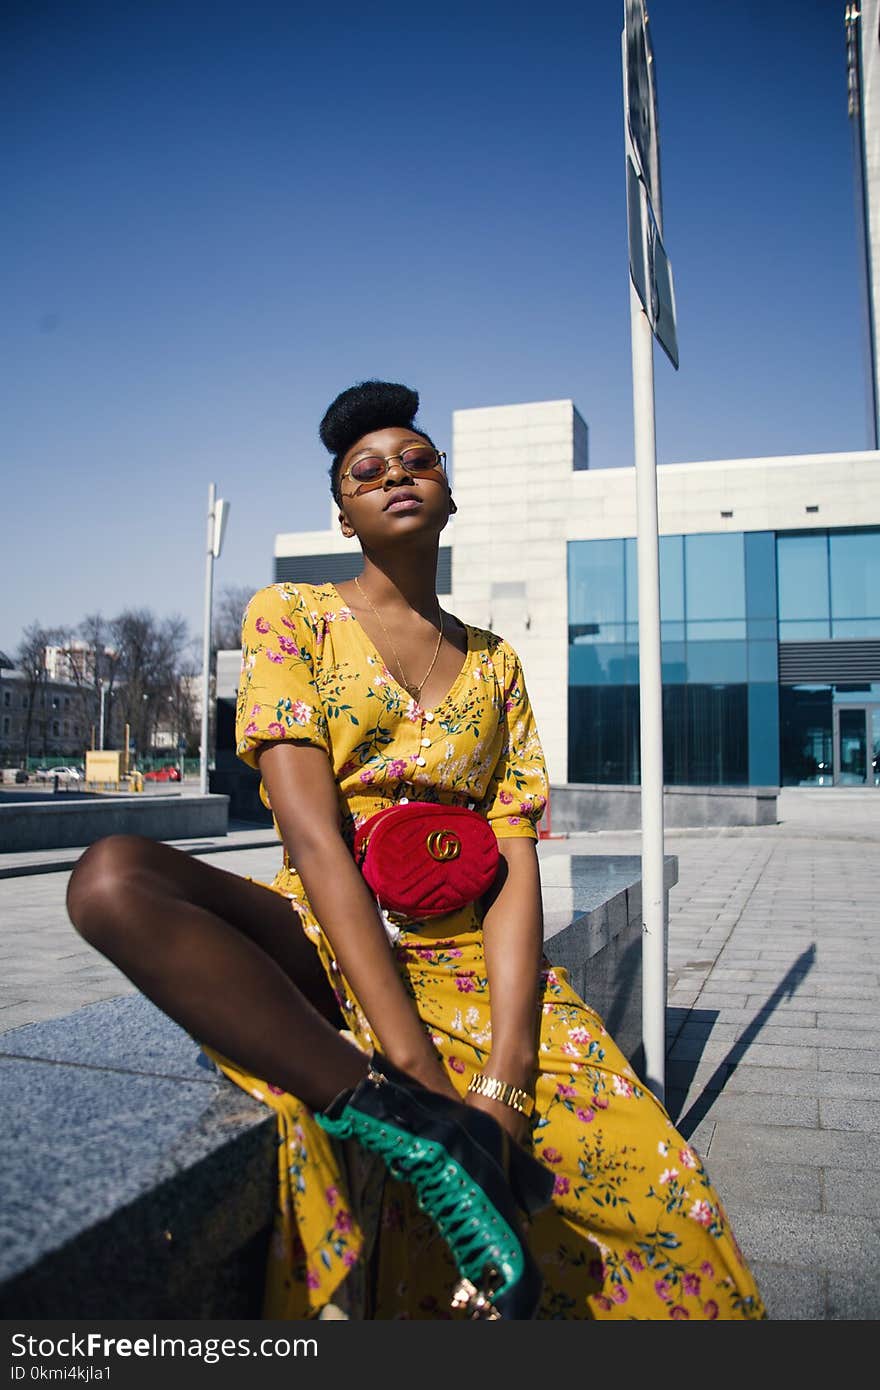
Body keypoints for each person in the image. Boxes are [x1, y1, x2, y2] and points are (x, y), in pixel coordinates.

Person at [66, 380, 766, 1321]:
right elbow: (312, 837)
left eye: (417, 460)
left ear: (448, 493)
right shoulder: (292, 617)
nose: (395, 473)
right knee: (111, 877)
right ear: (344, 515)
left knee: (658, 1197)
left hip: (471, 955)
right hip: (323, 935)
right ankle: (402, 1120)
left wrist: (506, 1080)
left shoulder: (496, 663)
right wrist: (431, 1086)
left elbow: (515, 859)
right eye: (366, 471)